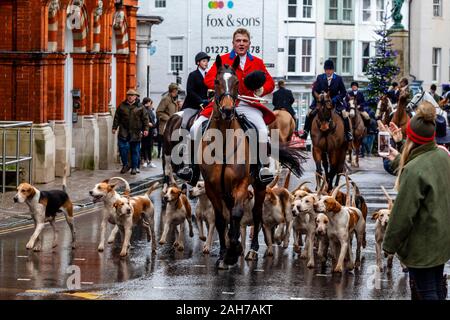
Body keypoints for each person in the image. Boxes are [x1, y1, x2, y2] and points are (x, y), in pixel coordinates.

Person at [178, 28, 275, 186]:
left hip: (246, 103)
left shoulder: (257, 62)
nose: (241, 43)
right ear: (233, 43)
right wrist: (221, 87)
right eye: (238, 41)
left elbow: (269, 82)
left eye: (244, 41)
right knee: (195, 127)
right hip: (222, 104)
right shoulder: (222, 60)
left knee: (262, 130)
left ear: (249, 43)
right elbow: (209, 79)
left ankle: (262, 169)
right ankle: (191, 168)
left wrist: (261, 89)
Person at [382, 102, 450, 300]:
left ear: (412, 136)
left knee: (427, 293)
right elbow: (421, 162)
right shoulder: (442, 155)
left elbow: (403, 214)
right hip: (441, 238)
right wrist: (400, 146)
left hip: (424, 243)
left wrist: (389, 245)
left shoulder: (414, 169)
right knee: (437, 288)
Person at [300, 59, 353, 141]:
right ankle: (305, 132)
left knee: (345, 114)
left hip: (334, 101)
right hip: (320, 101)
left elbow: (343, 92)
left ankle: (348, 133)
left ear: (333, 70)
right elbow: (314, 91)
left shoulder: (338, 78)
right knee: (309, 113)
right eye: (326, 70)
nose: (328, 71)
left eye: (330, 70)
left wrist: (335, 99)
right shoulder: (320, 77)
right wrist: (319, 97)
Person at [112, 89, 149, 175]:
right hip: (123, 131)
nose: (130, 97)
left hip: (136, 132)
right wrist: (114, 127)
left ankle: (134, 167)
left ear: (135, 97)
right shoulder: (122, 106)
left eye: (132, 95)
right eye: (128, 95)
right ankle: (126, 165)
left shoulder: (140, 107)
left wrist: (146, 129)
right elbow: (117, 117)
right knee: (122, 148)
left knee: (135, 150)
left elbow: (145, 119)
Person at [180, 52, 211, 129]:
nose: (206, 63)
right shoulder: (193, 75)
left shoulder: (209, 75)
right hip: (192, 106)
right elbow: (190, 91)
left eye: (207, 61)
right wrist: (200, 101)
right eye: (204, 61)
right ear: (198, 62)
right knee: (184, 123)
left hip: (206, 106)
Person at [156, 83, 179, 154]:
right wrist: (169, 119)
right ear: (171, 91)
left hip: (172, 127)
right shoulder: (166, 99)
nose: (176, 93)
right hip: (165, 127)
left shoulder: (174, 100)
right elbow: (158, 111)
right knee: (166, 149)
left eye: (176, 91)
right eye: (175, 91)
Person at [141, 97, 157, 168]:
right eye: (150, 103)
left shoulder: (150, 110)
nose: (151, 104)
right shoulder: (143, 109)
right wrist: (148, 124)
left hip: (151, 130)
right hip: (145, 130)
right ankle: (144, 160)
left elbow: (153, 120)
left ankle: (149, 161)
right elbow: (142, 119)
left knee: (150, 146)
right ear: (148, 103)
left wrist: (153, 125)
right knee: (144, 145)